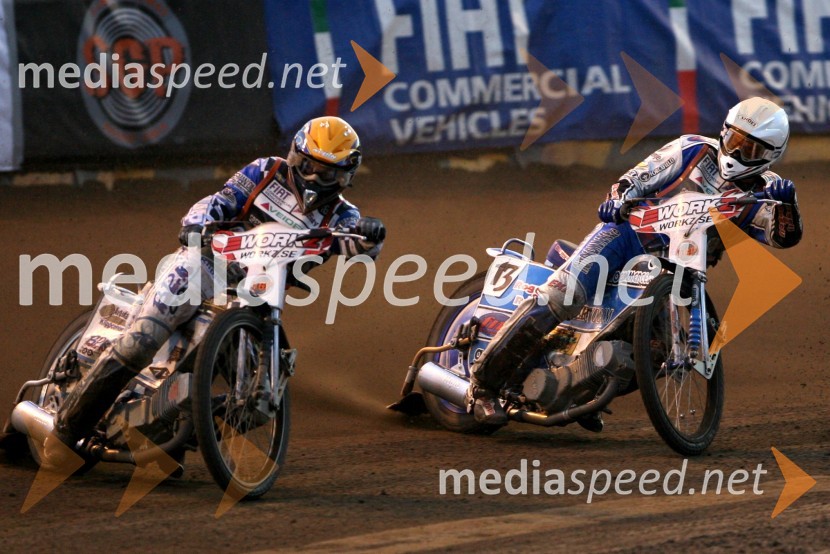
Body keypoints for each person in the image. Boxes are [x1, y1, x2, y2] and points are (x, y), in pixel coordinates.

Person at [45, 116, 386, 461]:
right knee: (143, 339)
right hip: (206, 264)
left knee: (260, 397)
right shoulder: (265, 172)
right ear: (296, 156)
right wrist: (198, 225)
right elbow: (219, 199)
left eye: (327, 173)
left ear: (345, 176)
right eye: (309, 165)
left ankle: (173, 434)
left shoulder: (343, 216)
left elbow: (362, 244)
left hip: (257, 297)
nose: (314, 177)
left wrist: (373, 234)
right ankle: (64, 432)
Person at [466, 97, 803, 426]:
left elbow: (783, 236)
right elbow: (636, 178)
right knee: (562, 296)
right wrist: (617, 200)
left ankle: (580, 390)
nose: (737, 152)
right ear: (723, 131)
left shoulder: (771, 190)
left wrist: (788, 207)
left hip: (674, 268)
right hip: (626, 236)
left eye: (751, 149)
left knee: (654, 352)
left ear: (770, 155)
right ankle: (483, 386)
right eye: (732, 139)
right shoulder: (693, 148)